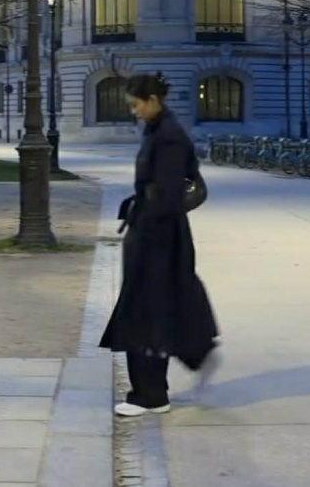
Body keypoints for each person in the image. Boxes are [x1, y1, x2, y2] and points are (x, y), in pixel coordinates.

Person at [100, 71, 221, 418]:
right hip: (159, 235)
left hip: (158, 239)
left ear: (153, 101)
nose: (134, 111)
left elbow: (166, 195)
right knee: (156, 310)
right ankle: (174, 370)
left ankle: (151, 394)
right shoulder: (160, 130)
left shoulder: (167, 136)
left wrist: (145, 224)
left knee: (145, 313)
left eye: (137, 105)